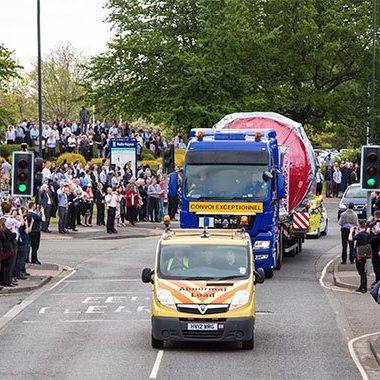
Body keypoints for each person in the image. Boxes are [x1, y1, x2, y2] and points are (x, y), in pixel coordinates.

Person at [349, 220, 371, 293]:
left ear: (359, 225)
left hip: (359, 254)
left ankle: (363, 288)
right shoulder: (366, 234)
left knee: (361, 272)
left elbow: (350, 239)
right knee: (363, 271)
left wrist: (351, 231)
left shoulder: (360, 235)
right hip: (365, 253)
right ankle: (362, 287)